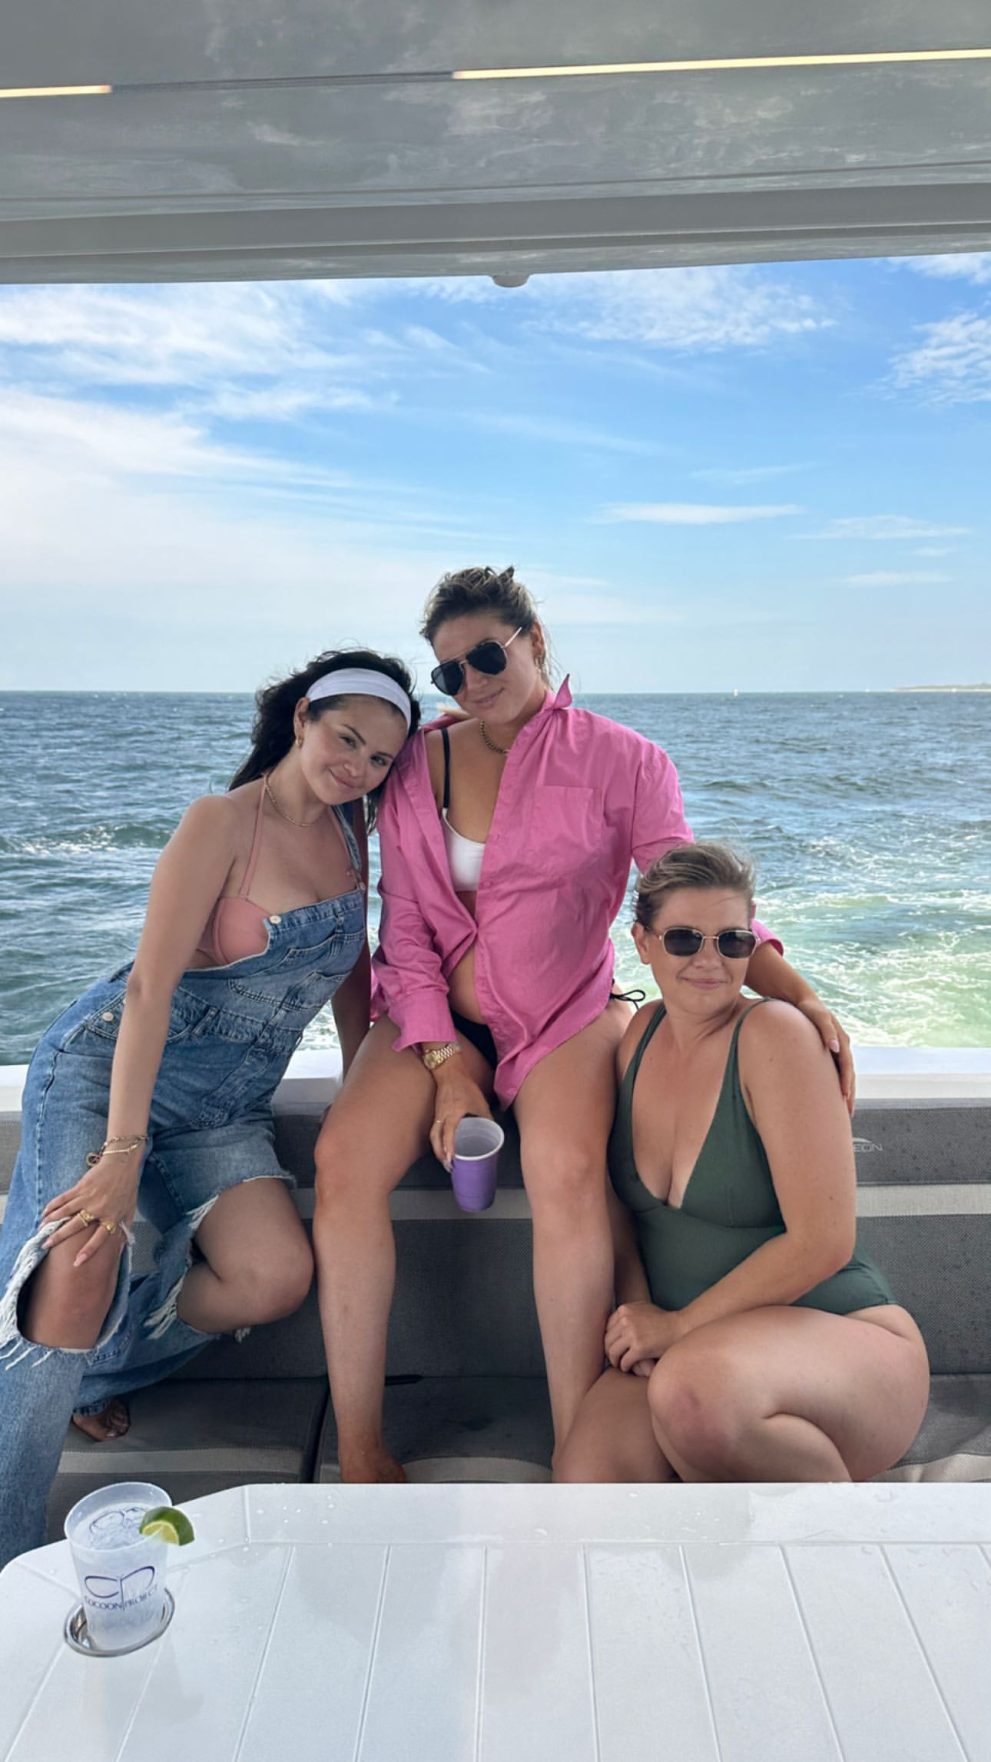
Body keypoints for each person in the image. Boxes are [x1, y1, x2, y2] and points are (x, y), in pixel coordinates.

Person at [313, 565, 854, 1483]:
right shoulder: (413, 765)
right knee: (339, 1162)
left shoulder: (626, 761)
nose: (471, 682)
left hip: (563, 1016)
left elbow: (685, 897)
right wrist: (446, 1064)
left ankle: (578, 1446)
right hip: (432, 1019)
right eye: (449, 671)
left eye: (488, 656)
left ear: (533, 641)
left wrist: (798, 996)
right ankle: (361, 1447)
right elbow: (401, 928)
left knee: (566, 1172)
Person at [0, 650, 419, 1566]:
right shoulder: (220, 821)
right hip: (107, 1071)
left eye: (381, 758)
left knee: (273, 1276)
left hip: (225, 1111)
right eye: (346, 738)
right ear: (302, 718)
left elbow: (353, 971)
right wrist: (121, 1153)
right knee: (73, 1269)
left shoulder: (353, 831)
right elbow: (148, 990)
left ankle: (85, 1371)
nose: (358, 766)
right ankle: (10, 1557)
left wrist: (360, 1092)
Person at [554, 841, 929, 1484]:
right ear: (642, 943)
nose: (709, 960)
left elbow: (823, 1243)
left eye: (732, 942)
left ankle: (844, 1540)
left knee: (694, 1396)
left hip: (839, 1342)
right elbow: (622, 1220)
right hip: (687, 1351)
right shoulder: (638, 1036)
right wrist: (642, 1324)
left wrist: (678, 1327)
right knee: (587, 1484)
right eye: (683, 940)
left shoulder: (776, 1037)